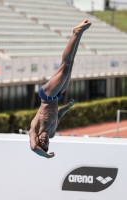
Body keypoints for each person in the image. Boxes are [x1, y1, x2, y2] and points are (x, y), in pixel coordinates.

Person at [29, 20, 92, 158]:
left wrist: (46, 156)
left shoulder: (35, 128)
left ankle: (76, 32)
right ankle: (80, 33)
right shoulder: (51, 133)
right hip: (57, 96)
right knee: (70, 65)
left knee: (64, 67)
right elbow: (57, 115)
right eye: (45, 143)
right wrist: (68, 107)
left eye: (41, 141)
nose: (43, 140)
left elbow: (34, 148)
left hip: (46, 95)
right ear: (48, 143)